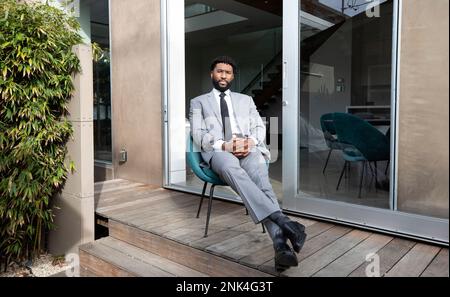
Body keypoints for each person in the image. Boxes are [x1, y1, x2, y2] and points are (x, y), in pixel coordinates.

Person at [189, 56, 307, 271]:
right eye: (219, 71)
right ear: (212, 74)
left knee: (262, 182)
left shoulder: (246, 100)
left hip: (247, 147)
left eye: (228, 72)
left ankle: (281, 246)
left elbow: (259, 127)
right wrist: (225, 146)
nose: (223, 75)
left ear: (232, 76)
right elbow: (197, 134)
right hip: (220, 150)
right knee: (231, 168)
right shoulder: (198, 102)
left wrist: (249, 142)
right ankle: (284, 221)